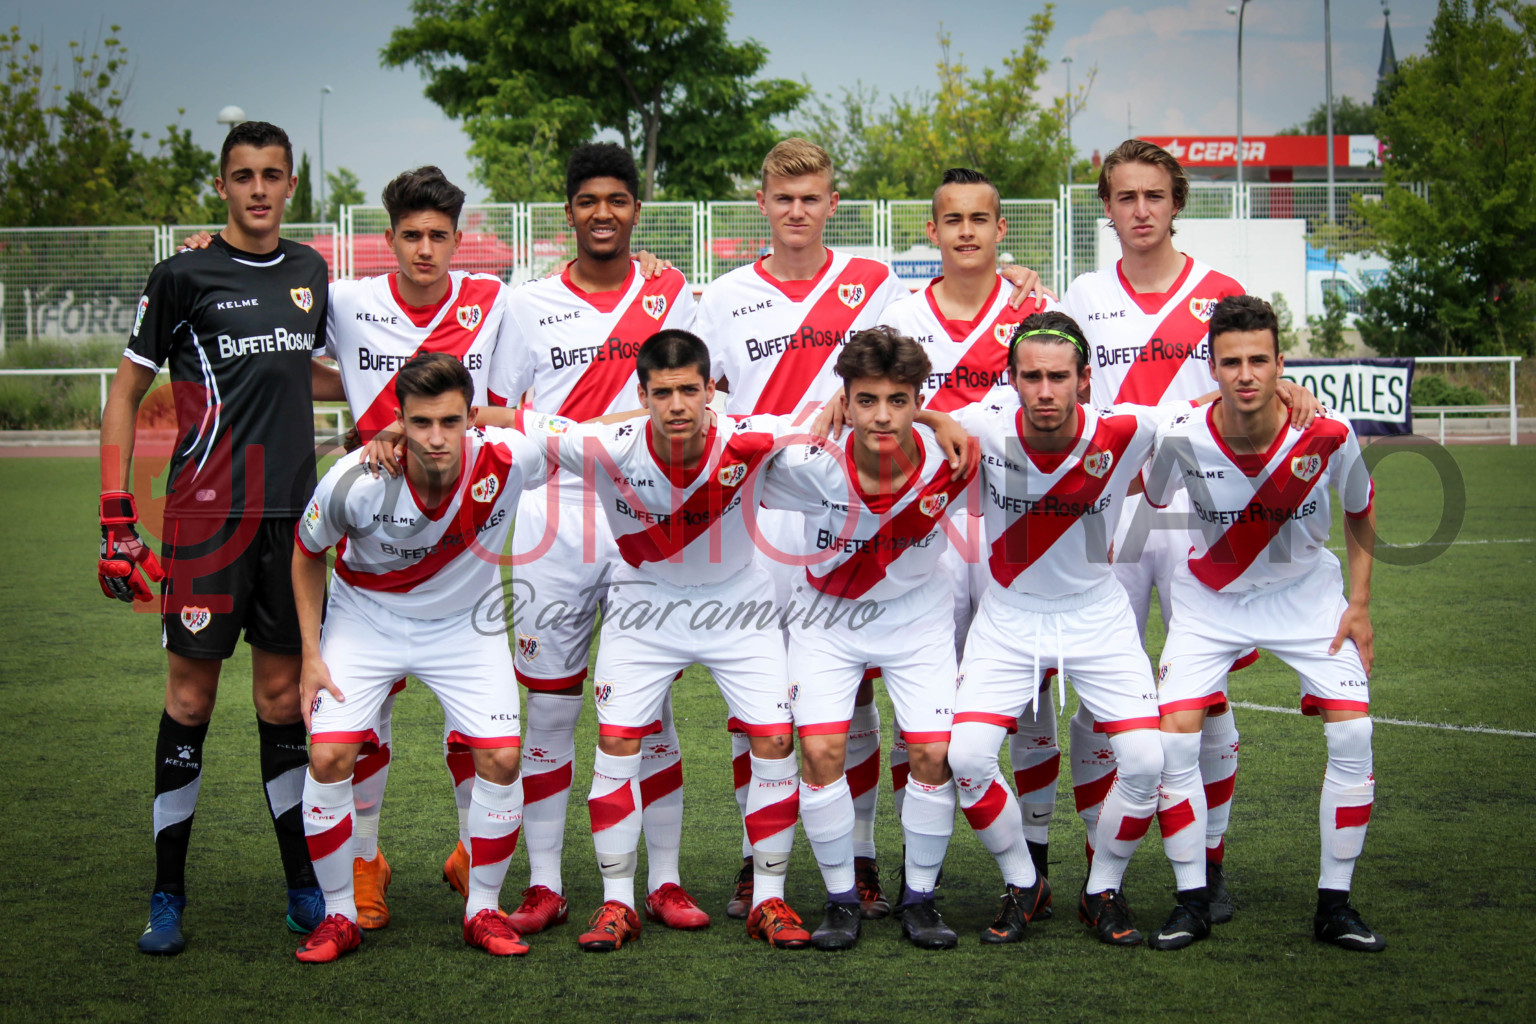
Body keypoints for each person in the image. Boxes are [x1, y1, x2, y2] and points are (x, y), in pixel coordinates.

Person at [692, 138, 1046, 919]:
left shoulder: (876, 284)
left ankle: (863, 859)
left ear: (831, 204)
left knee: (865, 708)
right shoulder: (718, 296)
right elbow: (705, 402)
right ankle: (761, 858)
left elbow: (905, 377)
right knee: (763, 706)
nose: (796, 211)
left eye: (811, 198)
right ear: (762, 204)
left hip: (872, 510)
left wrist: (1017, 279)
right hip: (773, 511)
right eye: (783, 199)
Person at [182, 164, 521, 929]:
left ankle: (473, 851)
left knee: (478, 725)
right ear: (390, 236)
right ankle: (364, 863)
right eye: (411, 236)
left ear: (458, 240)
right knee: (364, 724)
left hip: (455, 527)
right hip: (370, 527)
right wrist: (218, 251)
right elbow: (282, 345)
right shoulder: (348, 301)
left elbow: (505, 400)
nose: (425, 250)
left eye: (439, 236)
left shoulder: (494, 301)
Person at [99, 121, 340, 954]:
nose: (259, 190)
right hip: (205, 522)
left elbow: (301, 364)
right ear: (223, 186)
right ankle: (168, 894)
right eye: (244, 176)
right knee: (191, 702)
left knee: (280, 702)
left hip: (294, 524)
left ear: (291, 185)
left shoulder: (313, 271)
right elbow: (127, 395)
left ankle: (303, 885)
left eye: (273, 175)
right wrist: (115, 513)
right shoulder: (182, 274)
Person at [520, 329, 809, 951]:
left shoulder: (750, 436)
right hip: (645, 603)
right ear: (642, 396)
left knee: (774, 738)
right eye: (663, 392)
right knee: (619, 739)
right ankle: (618, 902)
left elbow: (826, 420)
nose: (677, 404)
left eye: (689, 390)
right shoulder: (603, 443)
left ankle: (769, 899)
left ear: (712, 392)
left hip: (738, 602)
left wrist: (929, 419)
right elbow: (515, 419)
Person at [484, 143, 704, 936]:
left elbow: (710, 402)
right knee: (547, 710)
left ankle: (666, 881)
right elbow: (503, 415)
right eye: (588, 200)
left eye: (618, 199)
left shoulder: (674, 291)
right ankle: (546, 884)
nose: (603, 213)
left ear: (637, 210)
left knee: (648, 712)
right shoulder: (527, 303)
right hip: (556, 517)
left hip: (647, 514)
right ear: (568, 211)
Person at [291, 353, 562, 962]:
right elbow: (307, 551)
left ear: (472, 418)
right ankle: (338, 916)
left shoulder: (511, 456)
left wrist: (697, 411)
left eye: (450, 421)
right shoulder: (353, 479)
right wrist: (311, 654)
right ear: (399, 423)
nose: (436, 438)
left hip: (464, 628)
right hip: (366, 623)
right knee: (330, 754)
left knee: (500, 756)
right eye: (420, 423)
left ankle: (483, 910)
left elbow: (595, 435)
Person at [1141, 295, 1383, 953]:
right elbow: (1153, 500)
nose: (1245, 375)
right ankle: (1191, 899)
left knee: (1354, 731)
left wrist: (1358, 604)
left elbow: (1361, 511)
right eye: (1231, 363)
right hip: (1210, 600)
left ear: (1281, 363)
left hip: (1306, 599)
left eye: (1259, 361)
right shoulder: (1181, 432)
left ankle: (1335, 905)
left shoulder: (1330, 432)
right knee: (1177, 741)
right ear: (1210, 367)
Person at [945, 311, 1190, 947]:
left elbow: (1211, 411)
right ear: (1012, 380)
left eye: (1059, 377)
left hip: (1097, 616)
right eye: (1032, 377)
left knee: (1145, 759)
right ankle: (1024, 882)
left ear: (1085, 380)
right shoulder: (981, 427)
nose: (1045, 390)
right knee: (966, 757)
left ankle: (1101, 887)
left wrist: (1290, 391)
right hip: (1007, 616)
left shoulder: (1129, 427)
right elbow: (915, 414)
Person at [1058, 139, 1250, 918]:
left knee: (1203, 697)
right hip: (1110, 514)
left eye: (1155, 196)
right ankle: (1101, 854)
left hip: (1200, 515)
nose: (1140, 211)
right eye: (1125, 198)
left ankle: (1210, 858)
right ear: (1106, 208)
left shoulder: (1220, 291)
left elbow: (1253, 382)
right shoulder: (1082, 294)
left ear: (1177, 202)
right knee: (1101, 693)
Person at [759, 327, 974, 950]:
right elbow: (731, 435)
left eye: (900, 401)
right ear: (845, 402)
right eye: (867, 400)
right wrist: (805, 422)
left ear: (917, 401)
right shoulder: (805, 461)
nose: (883, 415)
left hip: (917, 618)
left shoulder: (953, 457)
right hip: (827, 618)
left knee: (935, 755)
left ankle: (921, 900)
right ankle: (841, 901)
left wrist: (942, 417)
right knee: (822, 753)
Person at [881, 168, 1061, 897]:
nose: (965, 231)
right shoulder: (899, 314)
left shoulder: (1036, 308)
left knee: (1034, 692)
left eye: (979, 219)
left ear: (999, 230)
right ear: (932, 231)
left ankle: (1039, 858)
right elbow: (876, 407)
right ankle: (912, 861)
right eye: (950, 219)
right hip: (925, 522)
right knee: (916, 691)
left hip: (1015, 523)